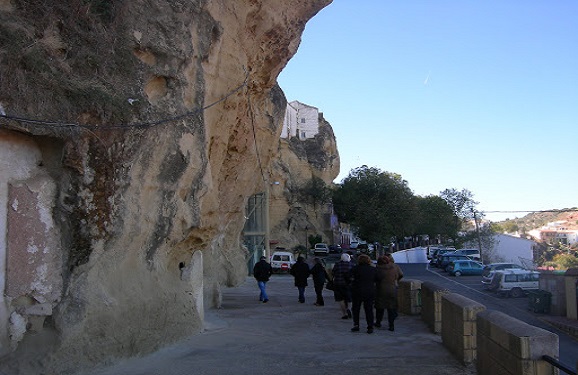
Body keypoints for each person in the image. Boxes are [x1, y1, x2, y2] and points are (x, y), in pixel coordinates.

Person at [349, 254, 378, 334]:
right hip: (369, 291)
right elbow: (378, 278)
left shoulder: (355, 269)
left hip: (357, 290)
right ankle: (370, 326)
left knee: (356, 309)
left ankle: (356, 325)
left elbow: (347, 276)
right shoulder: (373, 269)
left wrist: (352, 282)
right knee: (369, 309)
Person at [375, 254, 404, 331]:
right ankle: (391, 325)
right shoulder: (395, 267)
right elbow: (401, 274)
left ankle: (378, 322)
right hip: (392, 288)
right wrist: (396, 280)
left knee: (380, 307)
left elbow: (375, 279)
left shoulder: (378, 268)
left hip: (380, 289)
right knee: (391, 308)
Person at [332, 253, 353, 319]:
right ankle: (349, 308)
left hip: (338, 283)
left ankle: (344, 314)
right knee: (350, 298)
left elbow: (333, 272)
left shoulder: (337, 264)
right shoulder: (351, 265)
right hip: (348, 284)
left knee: (340, 299)